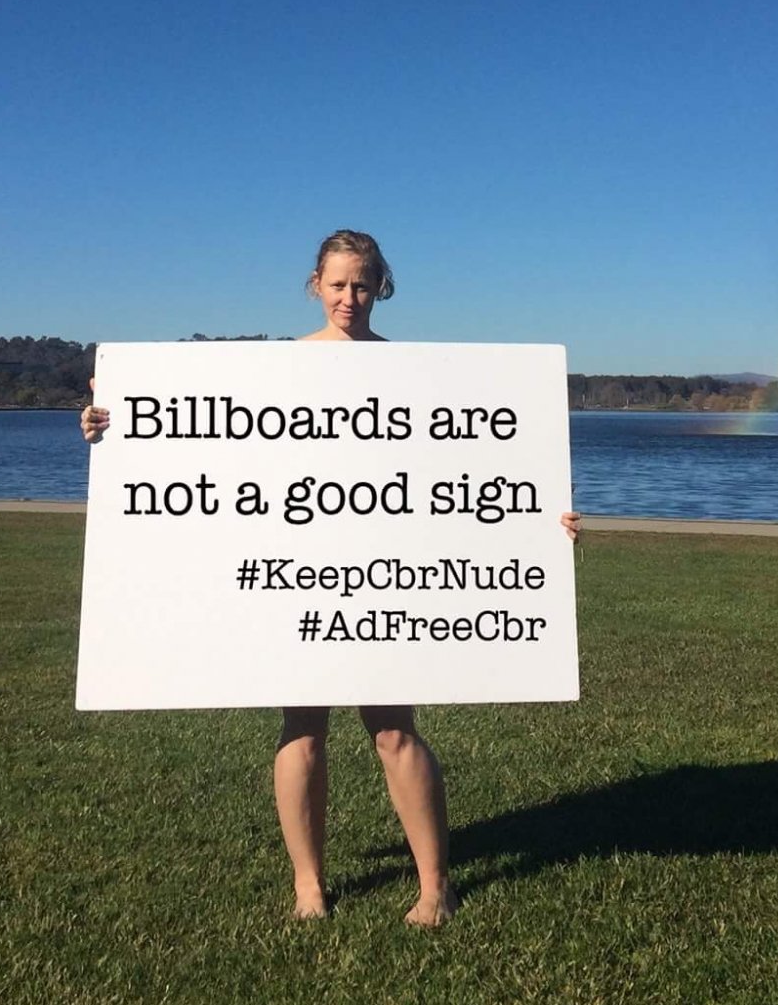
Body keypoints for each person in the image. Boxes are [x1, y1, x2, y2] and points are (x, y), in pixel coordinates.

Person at [81, 227, 580, 926]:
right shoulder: (277, 371)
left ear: (382, 286)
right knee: (302, 728)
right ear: (315, 284)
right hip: (295, 573)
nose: (350, 297)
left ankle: (436, 885)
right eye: (338, 283)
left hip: (381, 578)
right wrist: (112, 425)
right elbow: (212, 454)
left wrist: (538, 525)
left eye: (363, 283)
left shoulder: (415, 377)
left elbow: (463, 476)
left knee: (394, 730)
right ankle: (308, 887)